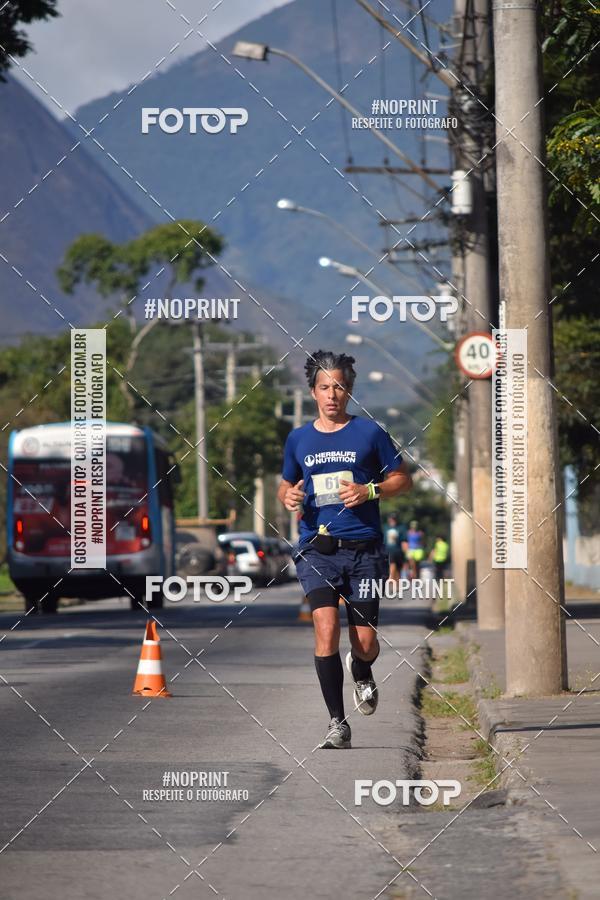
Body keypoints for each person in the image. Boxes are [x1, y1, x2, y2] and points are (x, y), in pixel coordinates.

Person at [278, 350, 412, 749]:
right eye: (324, 387)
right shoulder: (298, 438)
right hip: (317, 549)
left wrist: (370, 490)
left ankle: (362, 668)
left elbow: (402, 479)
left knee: (365, 644)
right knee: (325, 628)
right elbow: (286, 484)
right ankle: (338, 723)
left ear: (349, 391)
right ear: (313, 392)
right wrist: (288, 496)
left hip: (364, 551)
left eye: (338, 387)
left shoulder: (370, 433)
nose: (332, 394)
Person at [383, 513, 406, 584]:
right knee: (392, 564)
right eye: (391, 519)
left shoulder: (401, 528)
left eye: (394, 519)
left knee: (398, 569)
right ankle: (390, 579)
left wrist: (406, 552)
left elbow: (404, 541)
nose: (393, 520)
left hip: (398, 551)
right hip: (388, 550)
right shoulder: (385, 527)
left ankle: (397, 584)